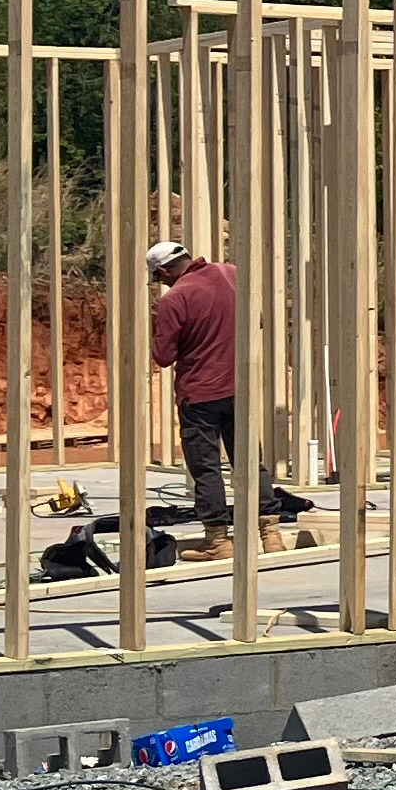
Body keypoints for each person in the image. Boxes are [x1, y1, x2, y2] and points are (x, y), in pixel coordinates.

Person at [145, 240, 239, 562]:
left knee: (206, 468)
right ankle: (270, 535)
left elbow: (163, 356)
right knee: (250, 464)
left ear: (163, 270)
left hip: (199, 395)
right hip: (239, 389)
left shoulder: (176, 299)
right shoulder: (232, 274)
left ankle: (217, 541)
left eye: (160, 278)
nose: (163, 284)